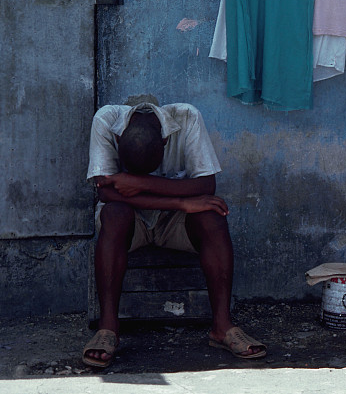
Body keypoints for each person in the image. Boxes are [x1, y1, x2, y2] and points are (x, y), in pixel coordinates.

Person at [82, 101, 266, 367]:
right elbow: (106, 192)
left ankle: (222, 327)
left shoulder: (188, 117)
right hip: (131, 220)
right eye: (134, 174)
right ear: (119, 138)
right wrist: (181, 201)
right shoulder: (105, 120)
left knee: (213, 217)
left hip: (174, 224)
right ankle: (107, 328)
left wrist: (137, 184)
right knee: (113, 213)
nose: (138, 178)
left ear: (166, 141)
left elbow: (206, 184)